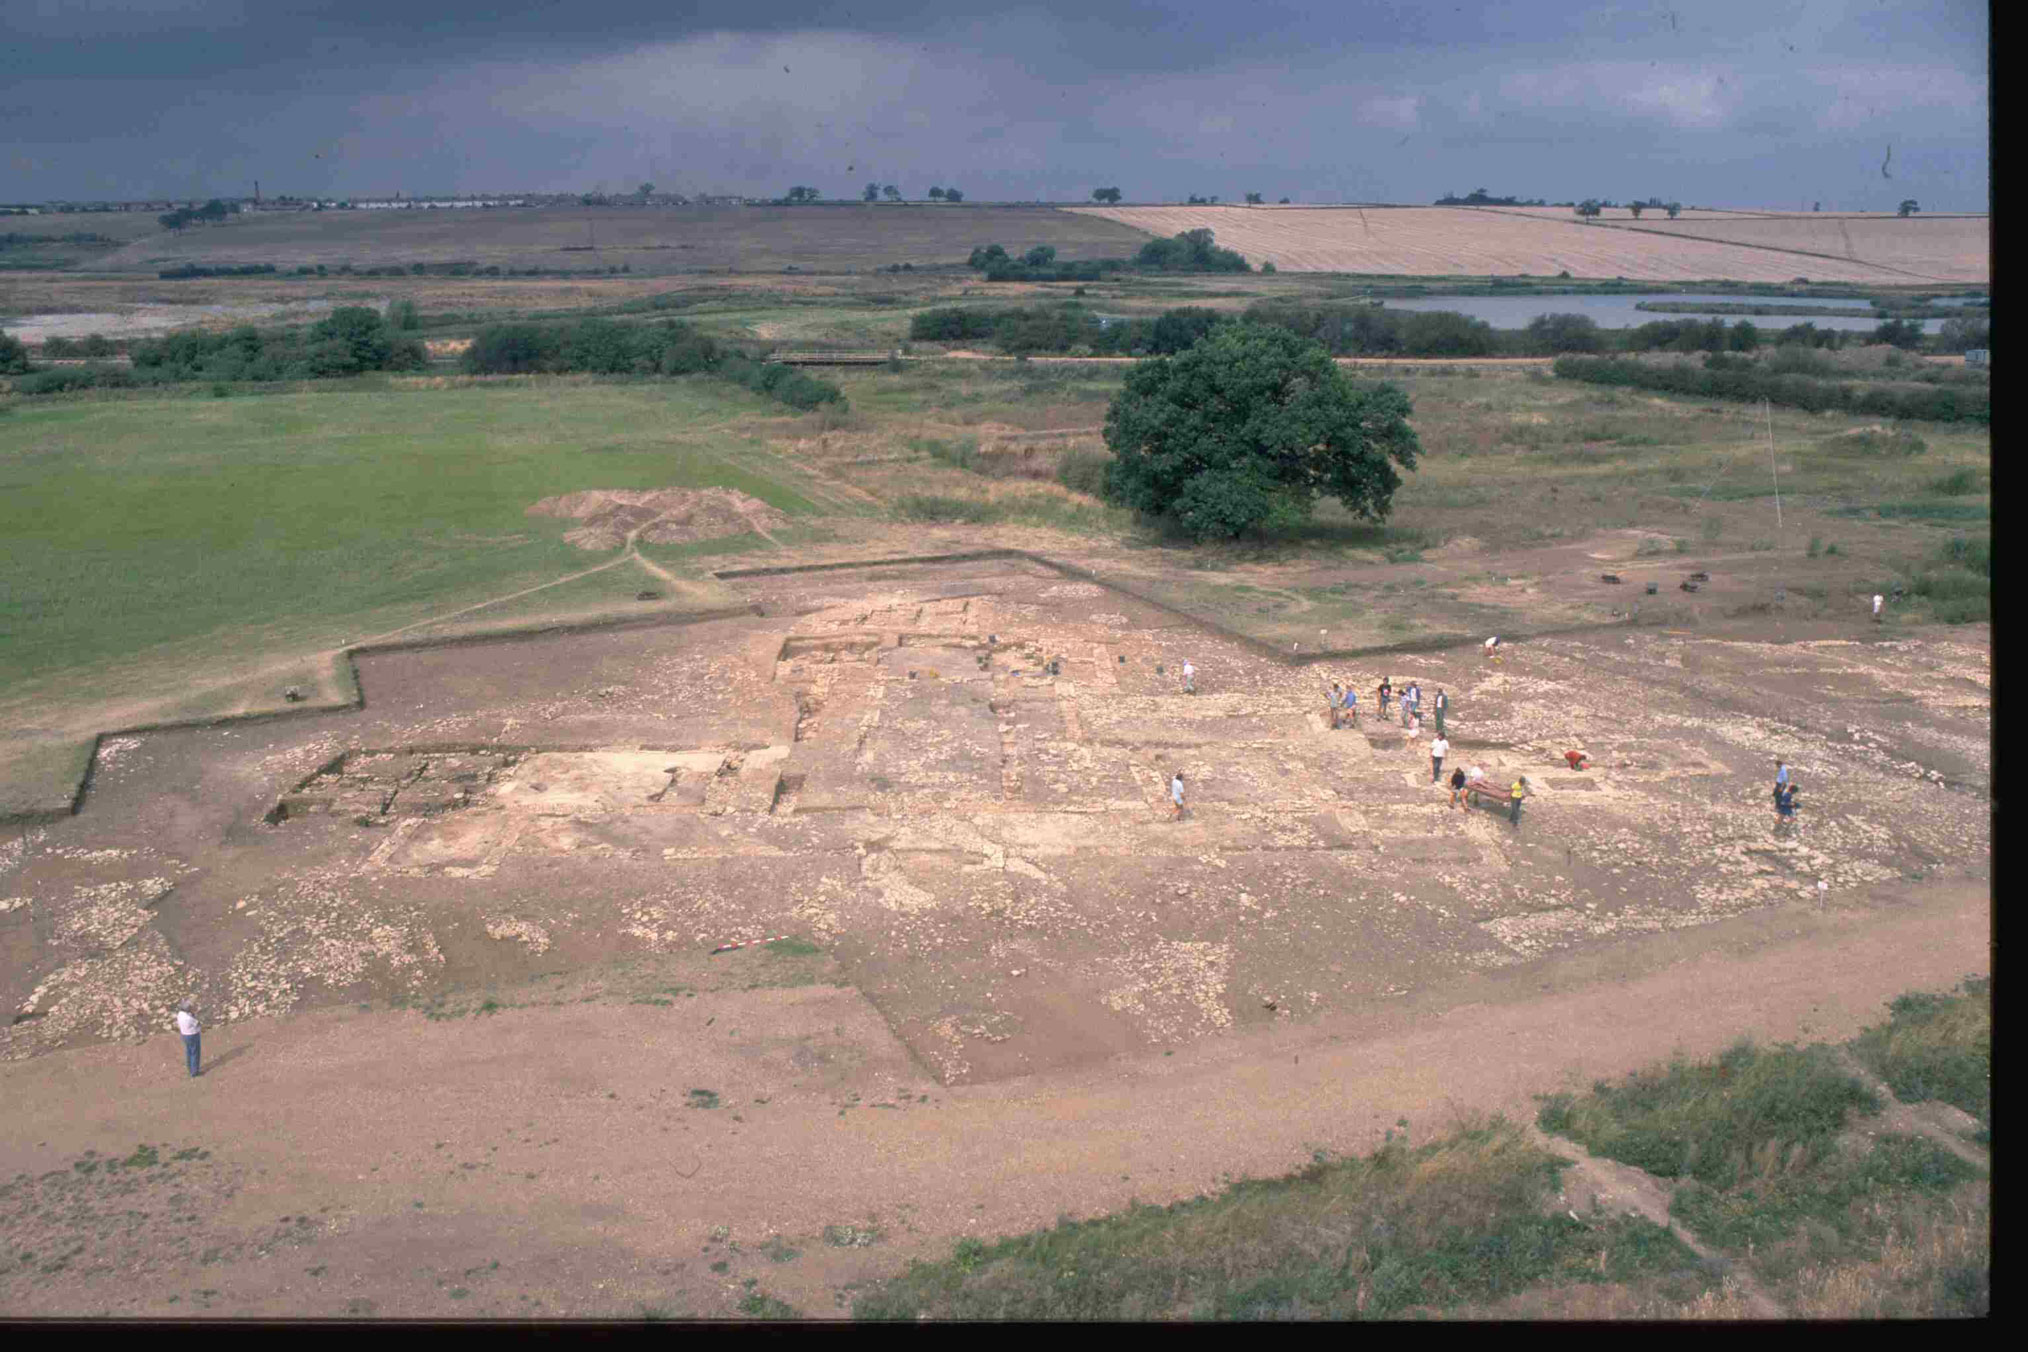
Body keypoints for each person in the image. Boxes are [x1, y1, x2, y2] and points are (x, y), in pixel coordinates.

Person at [175, 1002, 201, 1079]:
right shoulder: (189, 1019)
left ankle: (189, 1068)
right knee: (195, 1053)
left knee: (189, 1051)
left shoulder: (180, 1015)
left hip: (184, 1035)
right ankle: (194, 1072)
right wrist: (194, 1014)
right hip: (193, 1035)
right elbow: (197, 1023)